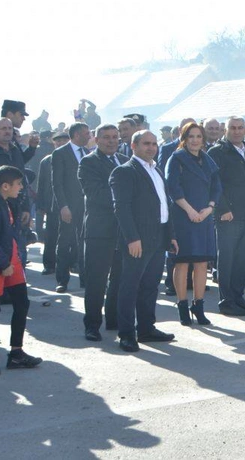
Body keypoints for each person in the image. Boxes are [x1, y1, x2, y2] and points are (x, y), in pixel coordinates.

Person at [112, 130, 178, 351]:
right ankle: (127, 333)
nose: (151, 147)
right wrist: (132, 238)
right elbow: (121, 208)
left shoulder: (156, 169)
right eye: (145, 144)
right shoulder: (124, 171)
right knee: (130, 287)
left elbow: (164, 205)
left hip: (158, 237)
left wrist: (170, 236)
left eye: (154, 144)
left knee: (150, 286)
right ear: (134, 146)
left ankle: (147, 329)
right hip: (138, 240)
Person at [0, 166, 42, 376]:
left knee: (22, 304)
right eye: (18, 184)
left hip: (13, 263)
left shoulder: (6, 201)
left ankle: (16, 352)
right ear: (5, 186)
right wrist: (3, 263)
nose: (22, 188)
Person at [165, 122, 221, 326]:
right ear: (184, 138)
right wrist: (189, 210)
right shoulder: (176, 158)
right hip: (183, 216)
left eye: (198, 136)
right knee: (182, 261)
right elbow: (173, 187)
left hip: (204, 217)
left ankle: (198, 305)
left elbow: (217, 186)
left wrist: (209, 209)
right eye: (191, 136)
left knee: (201, 263)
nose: (195, 140)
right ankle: (182, 305)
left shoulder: (208, 160)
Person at [208, 116, 245, 317]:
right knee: (227, 260)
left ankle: (238, 297)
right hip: (228, 216)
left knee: (242, 259)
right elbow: (214, 184)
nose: (238, 131)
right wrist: (222, 209)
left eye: (241, 128)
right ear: (226, 130)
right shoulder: (217, 152)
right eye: (233, 128)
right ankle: (226, 301)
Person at [78, 125, 125, 341]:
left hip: (123, 230)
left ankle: (114, 319)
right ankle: (92, 325)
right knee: (96, 281)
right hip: (99, 230)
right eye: (106, 137)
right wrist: (127, 197)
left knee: (119, 278)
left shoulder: (125, 159)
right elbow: (97, 194)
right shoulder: (89, 162)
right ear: (96, 139)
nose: (111, 141)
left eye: (115, 137)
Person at [52, 122, 91, 293]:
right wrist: (63, 206)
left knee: (85, 244)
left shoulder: (89, 153)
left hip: (87, 206)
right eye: (86, 133)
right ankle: (62, 279)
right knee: (65, 242)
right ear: (76, 135)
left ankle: (85, 278)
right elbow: (57, 183)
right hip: (68, 206)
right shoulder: (60, 153)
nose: (89, 136)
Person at [35, 130, 69, 275]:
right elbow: (41, 184)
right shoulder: (46, 161)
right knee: (51, 235)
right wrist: (40, 206)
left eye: (63, 140)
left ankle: (71, 263)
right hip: (51, 204)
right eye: (57, 140)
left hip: (69, 204)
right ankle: (49, 264)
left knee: (70, 237)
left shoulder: (73, 158)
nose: (60, 142)